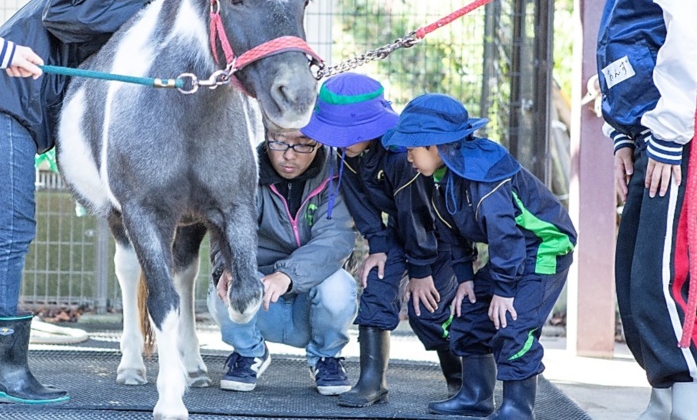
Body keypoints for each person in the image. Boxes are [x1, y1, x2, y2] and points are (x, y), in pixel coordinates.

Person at [0, 0, 204, 404]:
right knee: (11, 228)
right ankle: (0, 367)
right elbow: (62, 11)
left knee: (10, 228)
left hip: (15, 102)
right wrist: (149, 15)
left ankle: (0, 364)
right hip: (2, 99)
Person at [578, 0, 697, 418]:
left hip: (679, 137)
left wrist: (669, 137)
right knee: (635, 271)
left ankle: (685, 396)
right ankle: (664, 394)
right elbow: (636, 51)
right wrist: (624, 135)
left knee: (663, 272)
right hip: (652, 134)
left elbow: (689, 40)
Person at [382, 93, 576, 420]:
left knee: (513, 323)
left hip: (543, 248)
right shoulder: (442, 178)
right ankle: (475, 396)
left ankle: (517, 407)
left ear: (435, 146)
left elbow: (507, 236)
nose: (408, 158)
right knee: (470, 313)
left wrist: (503, 291)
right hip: (511, 254)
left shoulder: (484, 173)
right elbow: (452, 234)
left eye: (411, 149)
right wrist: (467, 279)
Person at [301, 73, 463, 407]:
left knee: (428, 312)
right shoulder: (348, 154)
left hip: (441, 239)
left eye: (344, 133)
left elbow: (417, 212)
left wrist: (420, 272)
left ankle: (461, 379)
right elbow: (360, 203)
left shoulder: (401, 154)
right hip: (400, 234)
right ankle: (372, 383)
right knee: (376, 292)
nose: (337, 140)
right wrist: (377, 246)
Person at [206, 128, 358, 396]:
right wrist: (227, 268)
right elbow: (226, 230)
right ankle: (248, 352)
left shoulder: (337, 174)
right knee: (225, 287)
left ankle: (326, 357)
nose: (288, 155)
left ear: (319, 143)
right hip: (261, 302)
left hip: (310, 305)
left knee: (340, 286)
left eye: (302, 145)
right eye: (279, 142)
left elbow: (334, 240)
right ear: (267, 134)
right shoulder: (244, 171)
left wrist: (287, 275)